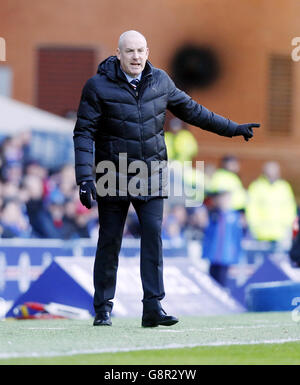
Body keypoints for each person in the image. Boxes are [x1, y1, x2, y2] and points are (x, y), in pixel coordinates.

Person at [73, 30, 259, 327]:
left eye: (141, 51)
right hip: (112, 171)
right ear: (118, 53)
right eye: (130, 51)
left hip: (150, 172)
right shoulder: (97, 86)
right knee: (109, 241)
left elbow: (195, 112)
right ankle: (103, 307)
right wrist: (85, 177)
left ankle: (152, 307)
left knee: (153, 238)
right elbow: (83, 133)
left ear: (147, 51)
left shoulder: (161, 81)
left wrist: (233, 128)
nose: (136, 56)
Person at [245, 161, 297, 245]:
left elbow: (290, 208)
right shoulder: (256, 187)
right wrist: (254, 226)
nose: (271, 174)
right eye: (269, 172)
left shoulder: (284, 187)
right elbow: (251, 208)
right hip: (260, 233)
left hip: (280, 233)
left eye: (274, 171)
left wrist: (287, 225)